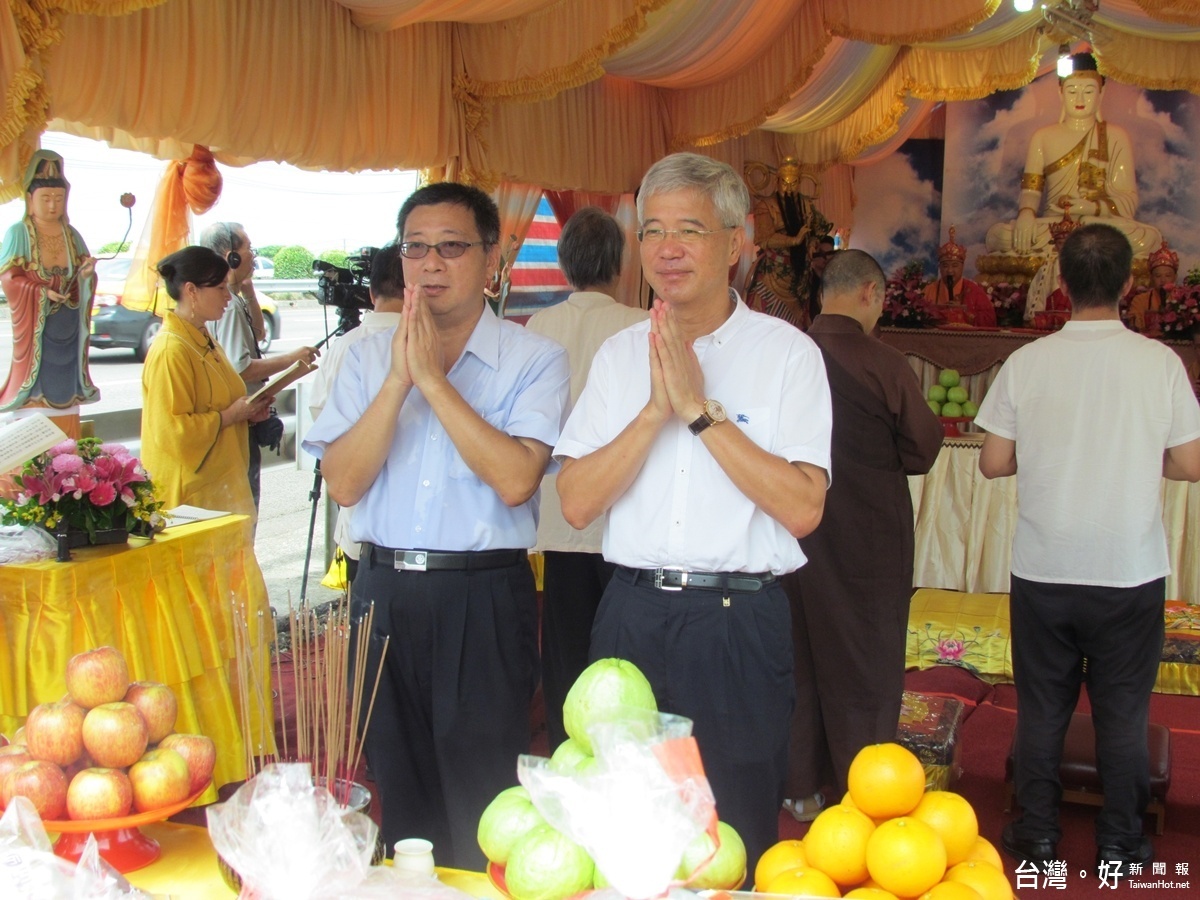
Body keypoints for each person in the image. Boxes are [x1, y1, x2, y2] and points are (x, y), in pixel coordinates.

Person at [554, 152, 832, 872]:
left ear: (736, 244)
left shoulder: (788, 356)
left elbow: (804, 509)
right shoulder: (621, 356)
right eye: (651, 231)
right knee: (621, 826)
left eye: (689, 230)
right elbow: (578, 503)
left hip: (737, 625)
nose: (667, 249)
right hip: (630, 615)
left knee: (731, 829)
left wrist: (703, 415)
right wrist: (655, 411)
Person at [301, 182, 569, 869]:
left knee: (484, 799)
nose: (430, 264)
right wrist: (398, 382)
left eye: (452, 248)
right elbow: (346, 482)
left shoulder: (533, 359)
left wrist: (435, 383)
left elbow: (515, 480)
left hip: (480, 598)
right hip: (382, 591)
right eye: (415, 248)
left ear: (491, 259)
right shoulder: (366, 358)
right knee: (398, 786)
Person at [975, 223, 1200, 873]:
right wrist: (1132, 456)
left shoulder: (1029, 362)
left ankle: (1039, 833)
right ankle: (1122, 841)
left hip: (1046, 569)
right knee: (1124, 712)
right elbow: (1189, 463)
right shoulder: (1159, 364)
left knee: (1044, 707)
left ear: (1062, 285)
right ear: (1129, 284)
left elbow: (992, 462)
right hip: (1128, 572)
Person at [782, 250, 944, 821]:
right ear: (871, 294)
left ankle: (799, 786)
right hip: (867, 537)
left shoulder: (781, 353)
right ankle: (861, 791)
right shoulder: (882, 362)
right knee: (867, 659)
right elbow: (923, 447)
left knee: (798, 651)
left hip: (790, 533)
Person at [523, 207, 647, 751]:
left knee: (566, 647)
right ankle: (621, 749)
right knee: (622, 654)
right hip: (620, 509)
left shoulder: (539, 325)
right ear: (620, 265)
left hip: (555, 507)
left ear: (564, 263)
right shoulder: (638, 325)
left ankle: (563, 746)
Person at [140, 246, 274, 519]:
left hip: (221, 485)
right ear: (191, 290)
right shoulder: (171, 350)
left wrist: (248, 414)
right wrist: (230, 415)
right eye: (220, 288)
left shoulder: (203, 339)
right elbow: (173, 433)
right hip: (190, 497)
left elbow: (219, 399)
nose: (227, 297)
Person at [985, 53, 1160, 258]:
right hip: (1053, 227)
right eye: (1072, 91)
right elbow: (1031, 190)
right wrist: (1026, 213)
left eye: (1088, 91)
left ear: (1101, 94)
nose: (1079, 99)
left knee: (1147, 237)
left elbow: (1128, 200)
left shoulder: (1116, 137)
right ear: (1061, 93)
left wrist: (1091, 208)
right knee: (999, 235)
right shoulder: (1043, 137)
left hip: (1097, 224)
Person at [307, 243, 406, 584]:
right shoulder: (428, 345)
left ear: (370, 291)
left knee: (364, 632)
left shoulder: (344, 346)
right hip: (410, 534)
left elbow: (320, 419)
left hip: (356, 525)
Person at [202, 222, 319, 510]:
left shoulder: (233, 297)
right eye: (248, 249)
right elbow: (240, 368)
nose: (253, 256)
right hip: (240, 420)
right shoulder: (226, 306)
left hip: (245, 419)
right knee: (245, 508)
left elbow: (259, 334)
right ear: (231, 256)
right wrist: (292, 358)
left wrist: (249, 291)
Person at [0, 150, 98, 437]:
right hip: (36, 326)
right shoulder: (19, 232)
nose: (53, 205)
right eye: (46, 199)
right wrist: (41, 292)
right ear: (30, 200)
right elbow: (9, 278)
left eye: (58, 198)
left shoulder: (72, 235)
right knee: (37, 384)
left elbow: (84, 275)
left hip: (67, 322)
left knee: (67, 386)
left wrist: (86, 278)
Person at [745, 156, 833, 330]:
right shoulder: (766, 205)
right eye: (785, 183)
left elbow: (821, 227)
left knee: (798, 325)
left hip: (800, 275)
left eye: (793, 184)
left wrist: (812, 240)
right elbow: (763, 239)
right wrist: (794, 240)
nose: (788, 188)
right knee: (762, 323)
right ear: (777, 181)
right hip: (772, 275)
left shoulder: (805, 205)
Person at [922, 227, 997, 327]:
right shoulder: (928, 291)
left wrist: (964, 313)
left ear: (962, 267)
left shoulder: (975, 291)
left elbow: (989, 320)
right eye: (945, 266)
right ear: (939, 267)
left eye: (954, 265)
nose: (949, 270)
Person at [1024, 205, 1079, 326]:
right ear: (1055, 244)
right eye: (1060, 243)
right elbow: (1037, 299)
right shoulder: (1048, 267)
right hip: (1050, 319)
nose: (1064, 247)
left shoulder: (1085, 267)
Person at [1126, 240, 1178, 333]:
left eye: (1168, 276)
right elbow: (1135, 327)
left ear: (1175, 277)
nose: (1163, 280)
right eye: (1158, 276)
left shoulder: (1183, 300)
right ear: (1151, 278)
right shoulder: (1141, 300)